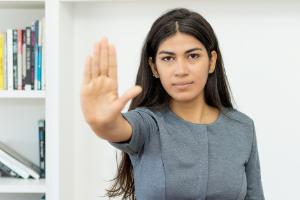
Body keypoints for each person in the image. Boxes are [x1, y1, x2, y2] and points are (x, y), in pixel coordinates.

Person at [80, 7, 265, 200]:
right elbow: (118, 128)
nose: (180, 70)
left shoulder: (242, 127)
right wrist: (102, 123)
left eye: (193, 56)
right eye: (168, 58)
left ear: (212, 61)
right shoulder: (148, 124)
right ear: (154, 67)